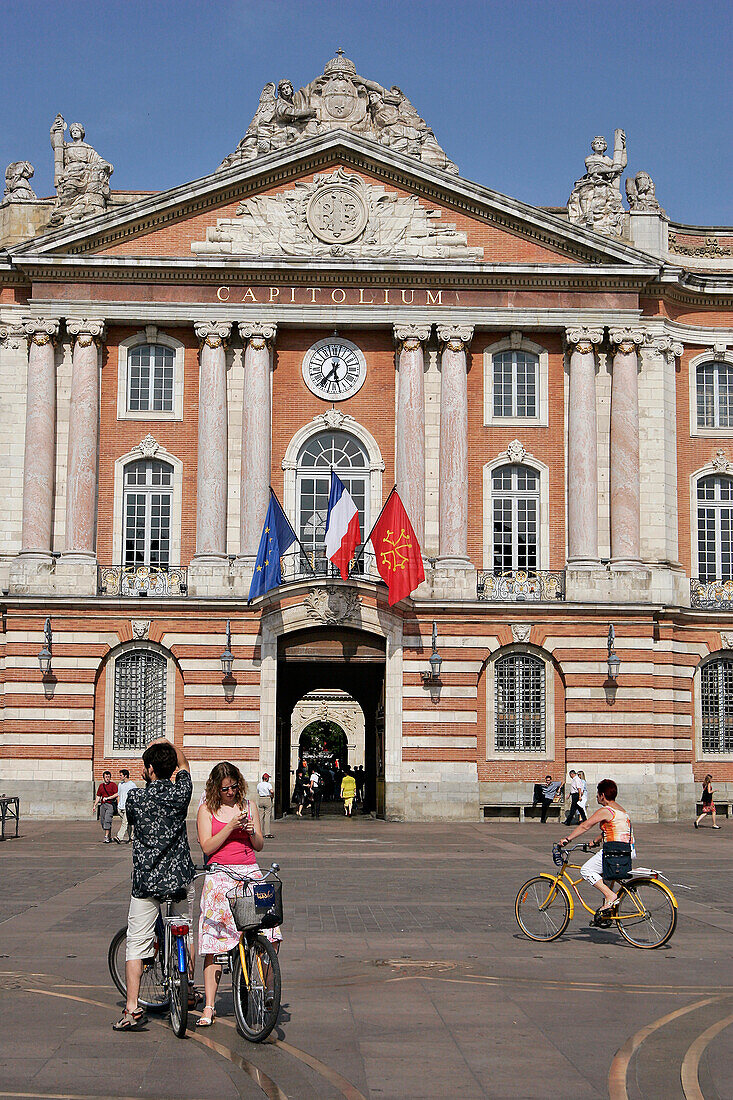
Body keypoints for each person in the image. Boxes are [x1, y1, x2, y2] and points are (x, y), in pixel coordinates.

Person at [112, 738, 196, 1032]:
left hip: (147, 880)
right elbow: (185, 765)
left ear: (148, 770)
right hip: (178, 878)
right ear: (171, 768)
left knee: (136, 943)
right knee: (184, 934)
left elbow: (131, 820)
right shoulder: (181, 792)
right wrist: (171, 746)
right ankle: (187, 989)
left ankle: (132, 1008)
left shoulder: (135, 797)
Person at [196, 762, 281, 1027]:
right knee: (214, 942)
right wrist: (230, 826)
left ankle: (268, 990)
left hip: (250, 871)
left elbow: (259, 845)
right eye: (225, 789)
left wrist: (250, 830)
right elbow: (207, 845)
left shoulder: (250, 806)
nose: (230, 792)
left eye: (234, 787)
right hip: (220, 873)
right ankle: (209, 1006)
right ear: (215, 789)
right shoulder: (206, 809)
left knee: (270, 932)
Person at [560, 778, 634, 913]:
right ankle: (608, 912)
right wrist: (596, 840)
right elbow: (614, 829)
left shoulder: (606, 810)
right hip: (627, 849)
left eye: (598, 794)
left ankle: (611, 896)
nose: (596, 796)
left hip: (615, 850)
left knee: (586, 870)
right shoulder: (622, 811)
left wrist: (567, 839)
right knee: (606, 880)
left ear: (603, 795)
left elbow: (585, 825)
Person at [93, 771, 118, 844]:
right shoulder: (101, 786)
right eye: (106, 777)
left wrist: (108, 798)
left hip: (110, 805)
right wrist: (95, 805)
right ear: (103, 777)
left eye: (108, 777)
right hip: (103, 805)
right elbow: (98, 796)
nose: (107, 778)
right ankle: (109, 836)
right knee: (103, 821)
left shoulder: (113, 785)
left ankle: (106, 836)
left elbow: (116, 794)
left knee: (108, 819)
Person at [115, 769, 137, 844]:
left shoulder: (132, 785)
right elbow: (119, 795)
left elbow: (135, 796)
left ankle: (119, 837)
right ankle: (132, 838)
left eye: (121, 775)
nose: (120, 777)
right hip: (120, 807)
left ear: (125, 776)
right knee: (128, 824)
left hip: (127, 807)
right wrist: (118, 805)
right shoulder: (120, 784)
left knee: (125, 822)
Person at [256, 772, 275, 838]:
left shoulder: (259, 784)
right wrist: (272, 796)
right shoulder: (268, 785)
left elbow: (258, 791)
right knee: (267, 816)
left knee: (260, 816)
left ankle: (259, 831)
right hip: (267, 798)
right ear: (267, 779)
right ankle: (267, 832)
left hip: (261, 798)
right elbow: (272, 791)